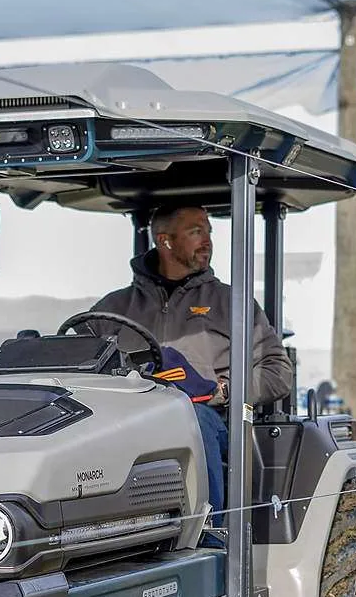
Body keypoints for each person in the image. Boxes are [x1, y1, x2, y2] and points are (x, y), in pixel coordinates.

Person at [91, 205, 293, 527]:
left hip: (215, 420)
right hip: (132, 421)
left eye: (208, 232)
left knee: (192, 419)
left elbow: (277, 370)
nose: (207, 241)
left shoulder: (232, 304)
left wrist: (227, 391)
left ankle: (206, 534)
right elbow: (79, 363)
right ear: (165, 241)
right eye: (196, 232)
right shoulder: (113, 309)